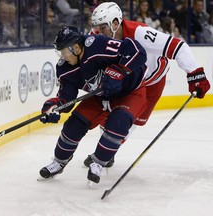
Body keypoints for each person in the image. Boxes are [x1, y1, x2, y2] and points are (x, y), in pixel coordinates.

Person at [84, 2, 211, 167]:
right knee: (110, 115)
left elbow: (179, 47)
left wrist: (195, 74)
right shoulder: (97, 36)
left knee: (134, 120)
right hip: (128, 79)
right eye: (96, 27)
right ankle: (105, 151)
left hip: (153, 81)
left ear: (115, 23)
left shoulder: (140, 33)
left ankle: (109, 150)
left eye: (102, 27)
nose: (98, 32)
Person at [39, 26, 148, 184]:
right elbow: (66, 98)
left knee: (119, 122)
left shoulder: (97, 45)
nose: (62, 56)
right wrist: (54, 106)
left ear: (76, 47)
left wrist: (120, 70)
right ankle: (59, 162)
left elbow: (136, 50)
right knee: (74, 124)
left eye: (64, 51)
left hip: (130, 93)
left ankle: (98, 163)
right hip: (99, 96)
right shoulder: (64, 68)